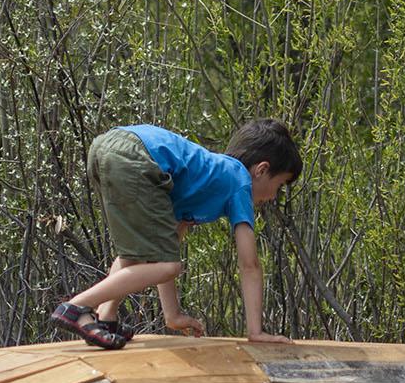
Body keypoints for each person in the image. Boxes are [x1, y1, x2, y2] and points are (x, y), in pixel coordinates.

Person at [51, 119, 300, 349]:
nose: (273, 197)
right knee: (170, 267)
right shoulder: (240, 182)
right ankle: (76, 306)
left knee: (137, 253)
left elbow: (165, 247)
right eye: (279, 185)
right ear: (261, 170)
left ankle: (106, 317)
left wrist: (172, 315)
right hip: (137, 157)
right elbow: (249, 265)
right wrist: (255, 331)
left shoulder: (205, 179)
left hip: (106, 147)